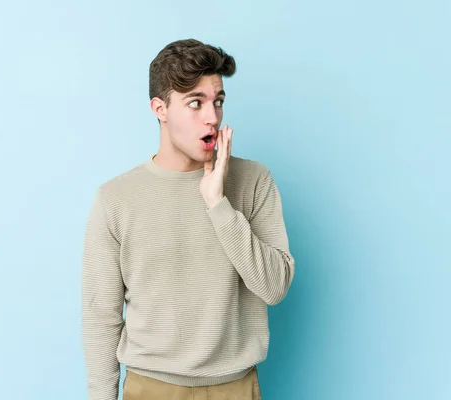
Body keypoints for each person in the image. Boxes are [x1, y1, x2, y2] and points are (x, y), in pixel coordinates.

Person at [81, 38, 295, 400]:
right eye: (195, 103)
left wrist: (218, 204)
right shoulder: (115, 199)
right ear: (160, 108)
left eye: (218, 101)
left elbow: (275, 288)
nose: (212, 116)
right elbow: (101, 317)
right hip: (150, 388)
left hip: (236, 387)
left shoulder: (254, 180)